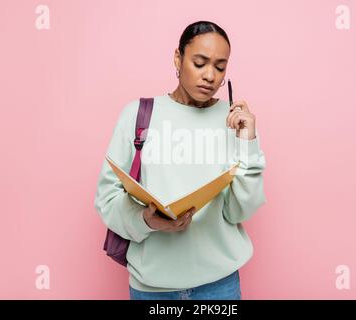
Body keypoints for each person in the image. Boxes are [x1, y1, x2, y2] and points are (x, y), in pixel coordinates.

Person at [94, 20, 266, 300]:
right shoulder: (137, 114)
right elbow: (107, 199)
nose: (210, 75)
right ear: (178, 58)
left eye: (220, 67)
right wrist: (147, 220)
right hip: (152, 289)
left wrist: (248, 142)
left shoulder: (233, 121)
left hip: (219, 287)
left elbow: (240, 211)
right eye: (199, 63)